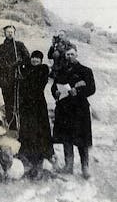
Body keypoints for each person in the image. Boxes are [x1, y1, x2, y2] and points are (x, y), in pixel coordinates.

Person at [51, 45, 96, 179]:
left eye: (72, 54)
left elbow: (92, 89)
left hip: (80, 110)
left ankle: (85, 167)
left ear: (76, 54)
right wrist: (56, 92)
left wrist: (79, 91)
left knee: (82, 139)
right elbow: (54, 87)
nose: (69, 57)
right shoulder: (61, 71)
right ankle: (68, 166)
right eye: (67, 55)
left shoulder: (86, 71)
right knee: (66, 138)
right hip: (64, 110)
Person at [19, 50, 54, 179]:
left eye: (37, 59)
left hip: (37, 104)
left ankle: (41, 154)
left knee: (39, 128)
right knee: (28, 127)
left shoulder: (43, 69)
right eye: (33, 58)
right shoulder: (28, 68)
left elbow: (34, 82)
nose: (34, 61)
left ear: (41, 60)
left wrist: (25, 71)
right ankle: (28, 153)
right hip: (27, 104)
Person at [0, 25, 30, 130]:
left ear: (14, 33)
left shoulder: (19, 46)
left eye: (12, 32)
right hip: (5, 80)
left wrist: (20, 63)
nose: (10, 33)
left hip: (17, 80)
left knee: (19, 103)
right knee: (8, 104)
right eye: (8, 32)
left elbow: (28, 60)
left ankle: (21, 127)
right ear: (4, 33)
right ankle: (12, 126)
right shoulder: (0, 48)